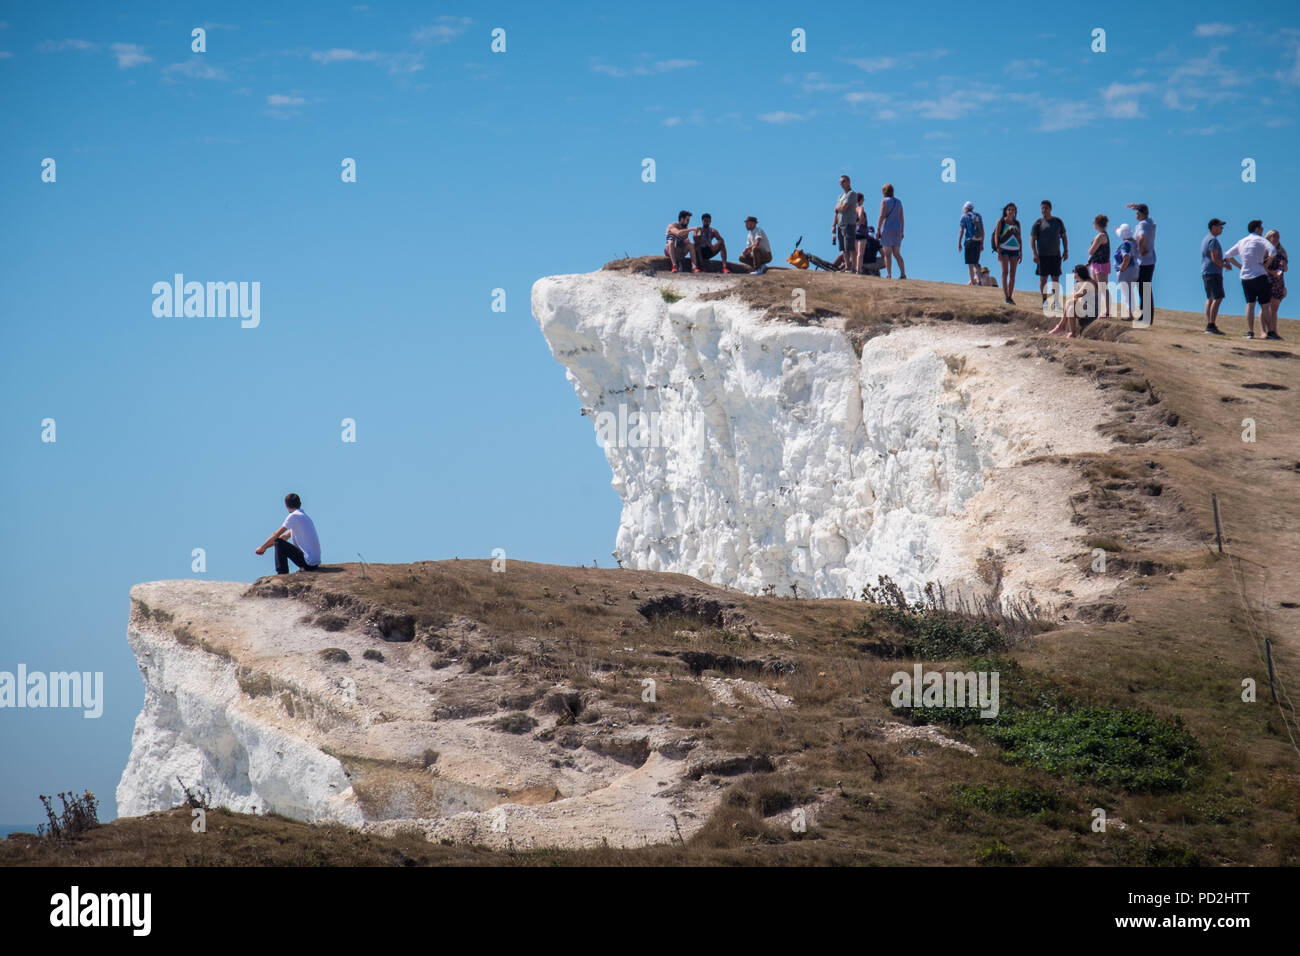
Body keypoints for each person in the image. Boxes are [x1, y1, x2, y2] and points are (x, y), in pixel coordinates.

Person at [1222, 220, 1277, 340]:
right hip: (1260, 275)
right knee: (1265, 305)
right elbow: (1273, 251)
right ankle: (1271, 332)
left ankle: (1250, 332)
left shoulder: (1242, 241)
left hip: (1245, 276)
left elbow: (1227, 255)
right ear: (1257, 229)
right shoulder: (1261, 240)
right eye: (1261, 228)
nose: (1262, 230)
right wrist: (1266, 265)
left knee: (1250, 304)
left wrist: (1239, 266)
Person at [255, 493, 322, 574]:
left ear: (286, 506)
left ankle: (282, 573)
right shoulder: (304, 516)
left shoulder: (293, 516)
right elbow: (285, 536)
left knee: (279, 542)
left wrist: (262, 547)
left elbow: (276, 535)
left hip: (308, 563)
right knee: (279, 542)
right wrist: (265, 548)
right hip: (315, 563)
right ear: (300, 504)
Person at [1030, 200, 1068, 307]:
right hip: (1042, 255)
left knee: (1055, 278)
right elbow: (1032, 239)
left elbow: (1064, 237)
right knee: (1043, 278)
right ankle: (1044, 300)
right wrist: (1034, 253)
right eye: (1042, 208)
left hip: (1055, 255)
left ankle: (1056, 301)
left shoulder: (1058, 222)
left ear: (1050, 209)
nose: (1044, 210)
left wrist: (1066, 250)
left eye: (1046, 208)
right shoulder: (1038, 223)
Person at [1128, 202, 1157, 324]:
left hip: (1143, 261)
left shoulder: (1142, 225)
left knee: (1143, 289)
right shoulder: (1150, 223)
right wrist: (1137, 206)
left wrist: (1140, 249)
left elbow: (1141, 237)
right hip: (1150, 260)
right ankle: (1146, 316)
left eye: (1136, 213)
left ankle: (1145, 317)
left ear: (1140, 214)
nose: (1135, 215)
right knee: (1145, 288)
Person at [1200, 218, 1230, 335]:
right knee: (1218, 297)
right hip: (1213, 272)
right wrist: (1224, 265)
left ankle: (1210, 323)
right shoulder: (1213, 240)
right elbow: (1214, 258)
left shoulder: (1206, 239)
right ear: (1213, 227)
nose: (1221, 228)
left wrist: (1221, 262)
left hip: (1207, 272)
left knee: (1211, 298)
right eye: (1219, 226)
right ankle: (1211, 325)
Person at [992, 202, 1022, 304]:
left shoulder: (1017, 223)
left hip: (1015, 250)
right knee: (1005, 272)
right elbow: (996, 235)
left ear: (1015, 212)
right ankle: (1006, 296)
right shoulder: (1001, 221)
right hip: (1003, 249)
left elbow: (1019, 238)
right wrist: (998, 249)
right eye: (1009, 209)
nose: (1010, 211)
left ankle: (1010, 296)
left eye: (1013, 210)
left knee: (1013, 274)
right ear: (1006, 211)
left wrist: (1021, 252)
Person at [877, 183, 905, 278]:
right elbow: (902, 218)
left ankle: (889, 274)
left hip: (887, 229)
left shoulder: (884, 201)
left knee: (887, 254)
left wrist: (878, 229)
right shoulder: (899, 202)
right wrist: (902, 231)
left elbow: (882, 216)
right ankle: (903, 274)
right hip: (897, 229)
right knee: (897, 253)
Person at [1264, 229, 1287, 340]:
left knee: (1275, 308)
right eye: (1274, 236)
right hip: (1267, 280)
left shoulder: (1281, 251)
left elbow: (1285, 268)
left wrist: (1283, 267)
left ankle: (1273, 331)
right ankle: (1264, 331)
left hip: (1278, 281)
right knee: (1266, 306)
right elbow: (1261, 266)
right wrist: (1271, 272)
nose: (1276, 238)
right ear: (1268, 238)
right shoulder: (1264, 250)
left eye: (1278, 236)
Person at [1113, 223, 1139, 319]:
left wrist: (1122, 269)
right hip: (1135, 269)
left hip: (1127, 270)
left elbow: (1126, 256)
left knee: (1126, 292)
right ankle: (1131, 312)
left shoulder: (1125, 244)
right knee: (1130, 292)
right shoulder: (1134, 242)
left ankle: (1129, 314)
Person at [1087, 215, 1111, 318]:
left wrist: (1090, 251)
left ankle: (1107, 311)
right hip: (1096, 264)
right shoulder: (1103, 235)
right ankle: (1096, 309)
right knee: (1096, 287)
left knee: (1103, 287)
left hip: (1101, 265)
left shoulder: (1101, 236)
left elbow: (1091, 250)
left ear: (1097, 223)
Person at [833, 175, 857, 269]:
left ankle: (854, 268)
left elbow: (843, 208)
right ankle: (847, 267)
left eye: (843, 181)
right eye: (840, 182)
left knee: (850, 247)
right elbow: (836, 211)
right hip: (840, 224)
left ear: (848, 182)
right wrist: (833, 225)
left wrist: (838, 207)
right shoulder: (840, 196)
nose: (841, 184)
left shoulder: (852, 194)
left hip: (849, 224)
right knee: (843, 248)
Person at [958, 201, 984, 284]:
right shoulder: (978, 216)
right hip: (978, 241)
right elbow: (983, 231)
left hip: (969, 241)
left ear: (965, 208)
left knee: (970, 263)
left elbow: (961, 231)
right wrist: (982, 243)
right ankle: (979, 281)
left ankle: (973, 282)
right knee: (976, 262)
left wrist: (959, 243)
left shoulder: (964, 217)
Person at [854, 192, 870, 274]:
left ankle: (856, 269)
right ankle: (858, 271)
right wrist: (859, 223)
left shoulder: (852, 209)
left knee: (857, 253)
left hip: (855, 233)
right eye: (863, 199)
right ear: (860, 200)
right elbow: (860, 216)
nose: (863, 201)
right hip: (861, 232)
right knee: (860, 253)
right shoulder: (860, 208)